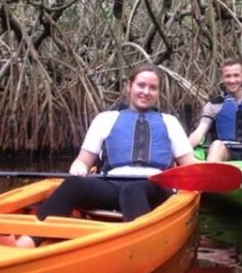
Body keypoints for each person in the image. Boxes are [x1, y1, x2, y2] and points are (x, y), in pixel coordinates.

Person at [35, 63, 196, 225]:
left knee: (132, 190)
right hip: (112, 185)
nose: (146, 92)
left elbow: (190, 167)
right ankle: (30, 239)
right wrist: (79, 167)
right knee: (73, 184)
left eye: (153, 88)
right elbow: (82, 160)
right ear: (129, 86)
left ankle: (137, 243)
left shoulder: (170, 122)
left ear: (158, 92)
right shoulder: (105, 119)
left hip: (156, 188)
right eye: (141, 85)